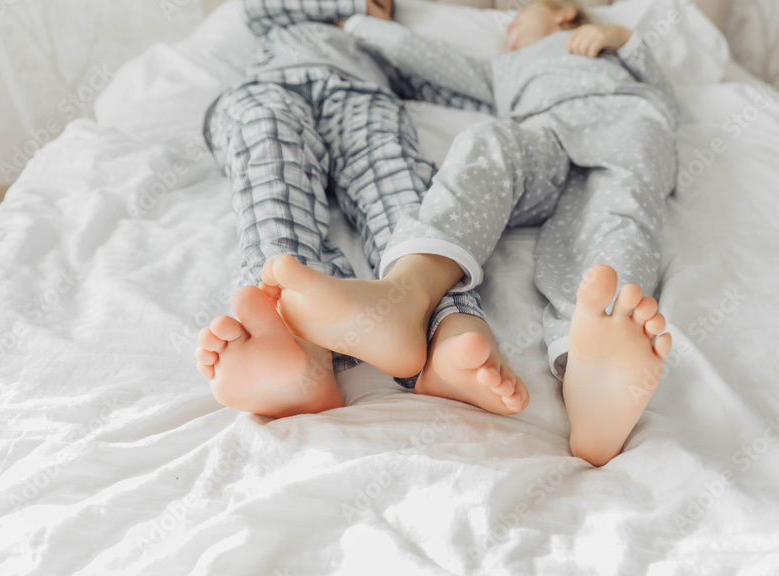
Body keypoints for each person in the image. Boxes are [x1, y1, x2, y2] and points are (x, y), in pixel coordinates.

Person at [261, 0, 678, 465]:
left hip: (623, 126)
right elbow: (432, 60)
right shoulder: (502, 68)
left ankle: (588, 370)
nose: (511, 26)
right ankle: (406, 292)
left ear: (562, 12)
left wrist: (621, 38)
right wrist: (360, 23)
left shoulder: (601, 48)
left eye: (522, 15)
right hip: (544, 134)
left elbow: (665, 92)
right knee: (489, 145)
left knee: (616, 216)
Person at [195, 0, 530, 419]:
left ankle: (449, 336)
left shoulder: (382, 41)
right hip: (270, 89)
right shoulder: (284, 20)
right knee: (271, 174)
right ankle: (291, 338)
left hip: (363, 96)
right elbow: (257, 8)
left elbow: (452, 83)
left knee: (398, 187)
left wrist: (527, 88)